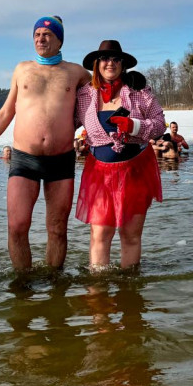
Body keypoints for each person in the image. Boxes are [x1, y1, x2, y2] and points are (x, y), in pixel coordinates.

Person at [0, 16, 89, 271]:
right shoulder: (22, 69)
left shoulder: (76, 73)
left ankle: (54, 284)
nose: (41, 38)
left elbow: (103, 96)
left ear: (60, 39)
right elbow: (6, 113)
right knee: (17, 226)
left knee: (58, 229)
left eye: (47, 34)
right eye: (37, 34)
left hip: (61, 160)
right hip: (24, 159)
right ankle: (23, 284)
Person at [74, 40, 165, 269]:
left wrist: (134, 126)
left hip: (136, 169)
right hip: (99, 173)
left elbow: (159, 124)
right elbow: (65, 122)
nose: (110, 63)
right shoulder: (84, 95)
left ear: (123, 64)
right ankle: (98, 289)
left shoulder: (138, 91)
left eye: (116, 59)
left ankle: (129, 290)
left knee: (131, 234)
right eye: (105, 58)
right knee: (100, 235)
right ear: (96, 64)